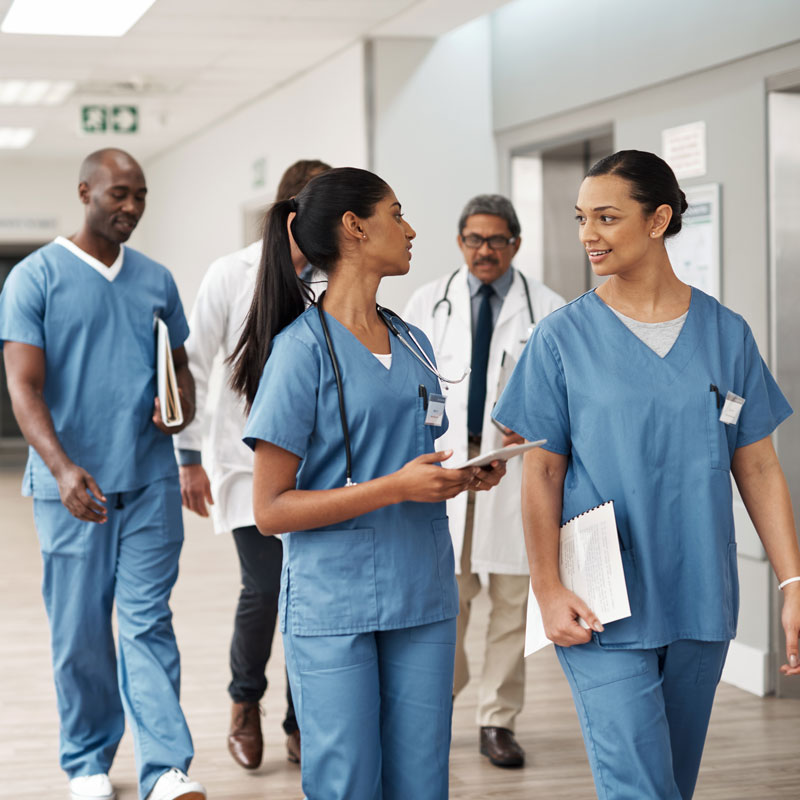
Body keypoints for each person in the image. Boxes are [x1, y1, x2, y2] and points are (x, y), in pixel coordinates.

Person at [493, 149, 800, 799]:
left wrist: (792, 580)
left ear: (659, 219)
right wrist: (546, 588)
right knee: (640, 787)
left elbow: (759, 463)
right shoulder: (562, 338)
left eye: (606, 217)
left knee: (671, 784)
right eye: (581, 218)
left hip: (699, 592)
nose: (588, 235)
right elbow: (542, 472)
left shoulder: (726, 333)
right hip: (600, 600)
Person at [229, 167, 506, 799]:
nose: (411, 230)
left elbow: (412, 456)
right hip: (336, 602)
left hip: (423, 592)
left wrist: (462, 474)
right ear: (355, 227)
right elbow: (269, 511)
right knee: (348, 780)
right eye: (397, 213)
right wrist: (395, 488)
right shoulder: (300, 353)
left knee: (420, 779)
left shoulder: (412, 340)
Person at [0, 149, 206, 800]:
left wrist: (179, 412)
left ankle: (165, 770)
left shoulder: (156, 280)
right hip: (71, 487)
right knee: (81, 630)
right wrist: (60, 468)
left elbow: (182, 376)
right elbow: (24, 387)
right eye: (119, 194)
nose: (131, 208)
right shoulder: (35, 279)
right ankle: (87, 761)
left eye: (140, 196)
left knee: (147, 623)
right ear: (85, 190)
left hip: (147, 481)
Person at [175, 158, 331, 769]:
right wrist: (188, 455)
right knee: (265, 588)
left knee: (310, 593)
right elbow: (188, 364)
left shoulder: (335, 275)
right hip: (245, 464)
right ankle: (245, 703)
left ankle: (301, 717)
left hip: (318, 466)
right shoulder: (230, 273)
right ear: (291, 212)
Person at [403, 194, 564, 767]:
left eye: (496, 240)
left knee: (511, 602)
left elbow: (561, 394)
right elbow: (410, 386)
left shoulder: (547, 307)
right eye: (474, 239)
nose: (484, 250)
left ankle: (498, 720)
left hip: (514, 468)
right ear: (459, 242)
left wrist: (530, 425)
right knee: (450, 596)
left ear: (516, 244)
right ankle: (441, 697)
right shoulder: (429, 301)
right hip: (450, 464)